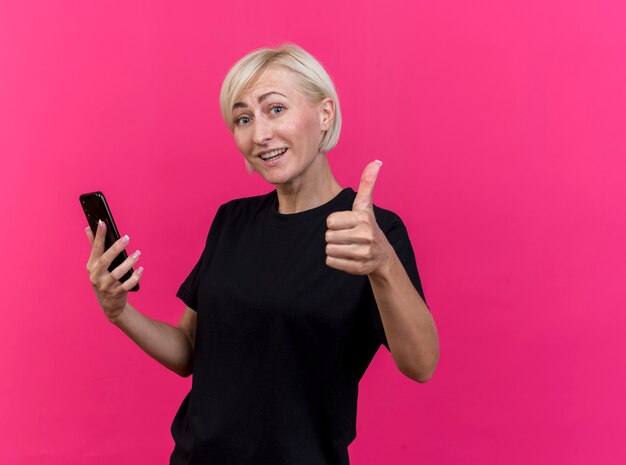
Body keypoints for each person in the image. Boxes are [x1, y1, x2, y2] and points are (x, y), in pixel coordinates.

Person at [85, 43, 439, 465]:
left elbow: (421, 364)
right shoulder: (231, 221)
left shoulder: (372, 233)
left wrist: (382, 264)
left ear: (324, 115)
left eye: (275, 109)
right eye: (243, 119)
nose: (259, 135)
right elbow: (189, 353)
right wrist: (118, 310)